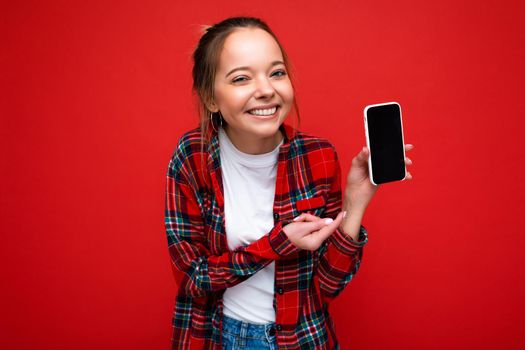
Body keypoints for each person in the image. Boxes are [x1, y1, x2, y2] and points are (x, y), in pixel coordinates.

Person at [164, 16, 414, 350]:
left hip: (302, 340)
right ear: (211, 98)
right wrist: (278, 243)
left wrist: (356, 202)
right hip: (218, 338)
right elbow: (192, 278)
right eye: (241, 78)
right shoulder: (193, 156)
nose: (267, 89)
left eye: (277, 72)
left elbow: (327, 286)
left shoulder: (318, 156)